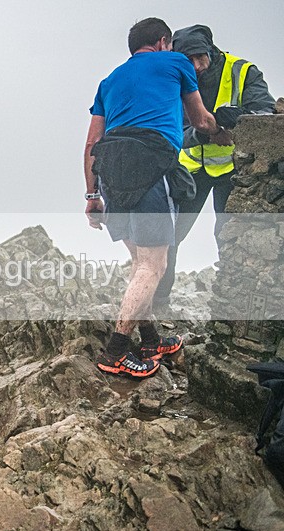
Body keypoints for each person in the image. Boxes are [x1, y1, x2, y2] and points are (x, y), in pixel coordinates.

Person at [84, 18, 224, 378]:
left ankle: (150, 339)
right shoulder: (175, 62)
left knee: (140, 263)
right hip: (149, 165)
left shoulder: (108, 81)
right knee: (153, 266)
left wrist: (92, 196)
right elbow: (199, 119)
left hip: (110, 170)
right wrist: (218, 130)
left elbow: (90, 145)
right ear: (164, 41)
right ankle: (116, 351)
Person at [153, 25, 275, 308]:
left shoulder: (242, 71)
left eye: (200, 58)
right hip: (190, 172)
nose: (196, 67)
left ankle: (231, 305)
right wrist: (204, 132)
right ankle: (160, 303)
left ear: (212, 50)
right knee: (169, 238)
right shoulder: (173, 78)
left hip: (234, 173)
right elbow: (167, 131)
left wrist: (237, 117)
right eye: (188, 60)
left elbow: (265, 112)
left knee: (230, 236)